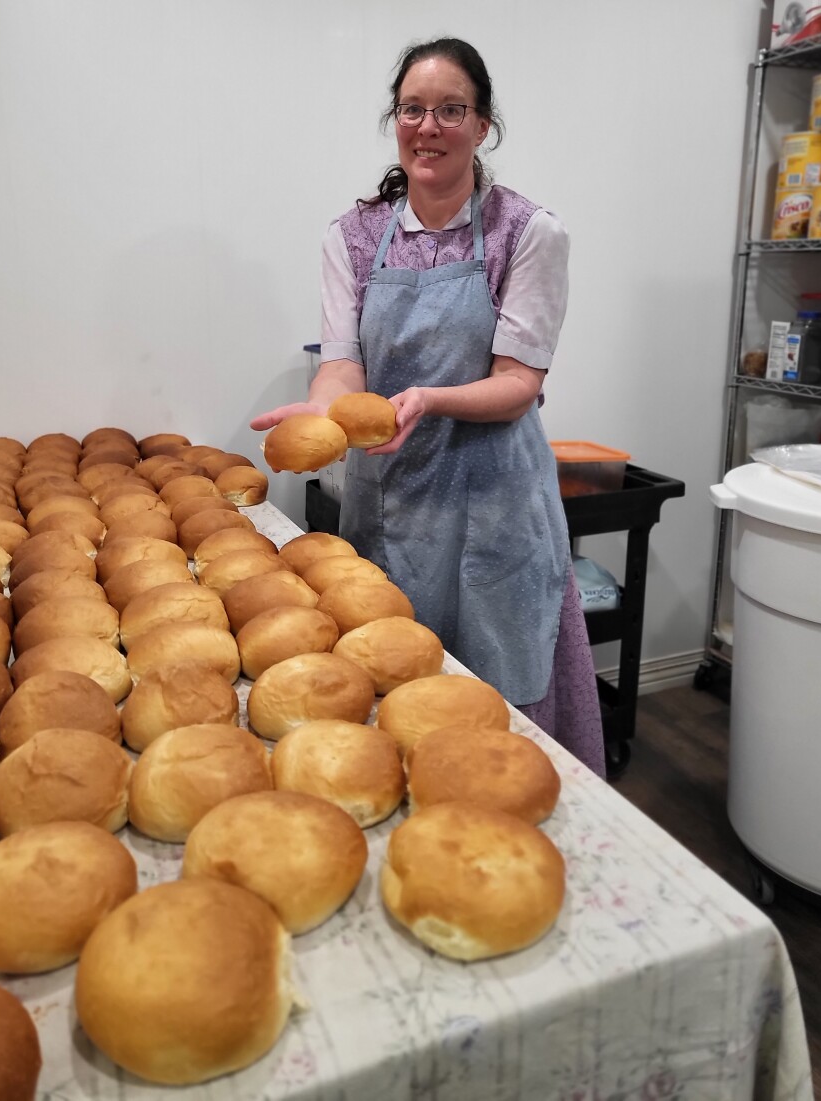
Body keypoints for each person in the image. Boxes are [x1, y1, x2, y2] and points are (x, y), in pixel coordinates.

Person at [251, 37, 605, 776]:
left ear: (483, 126)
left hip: (495, 503)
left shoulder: (528, 232)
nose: (429, 126)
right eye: (413, 109)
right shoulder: (351, 236)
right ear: (396, 121)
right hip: (394, 502)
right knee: (392, 698)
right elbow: (344, 364)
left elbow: (517, 381)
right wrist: (320, 414)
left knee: (494, 727)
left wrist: (430, 399)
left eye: (451, 110)